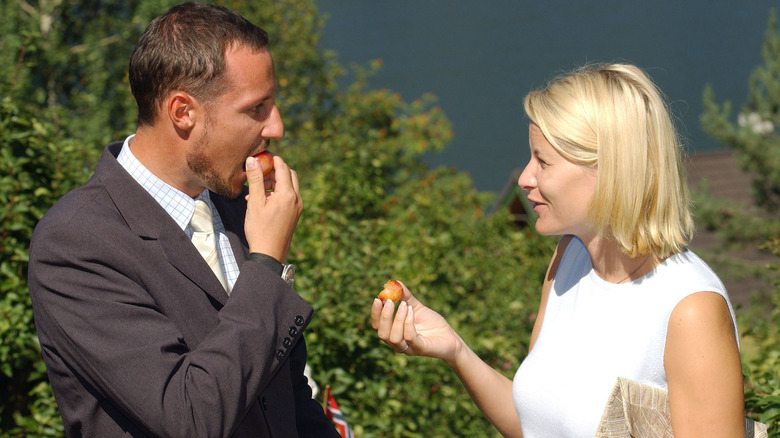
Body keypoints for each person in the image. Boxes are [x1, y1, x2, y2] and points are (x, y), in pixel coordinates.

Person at [371, 63, 745, 437]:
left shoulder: (689, 309)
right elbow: (535, 425)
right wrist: (454, 350)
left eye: (543, 162)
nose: (524, 178)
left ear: (608, 170)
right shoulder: (569, 258)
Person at [27, 2, 340, 437]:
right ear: (183, 112)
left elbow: (285, 400)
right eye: (257, 109)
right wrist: (267, 264)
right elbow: (191, 419)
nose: (277, 127)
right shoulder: (76, 242)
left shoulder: (235, 207)